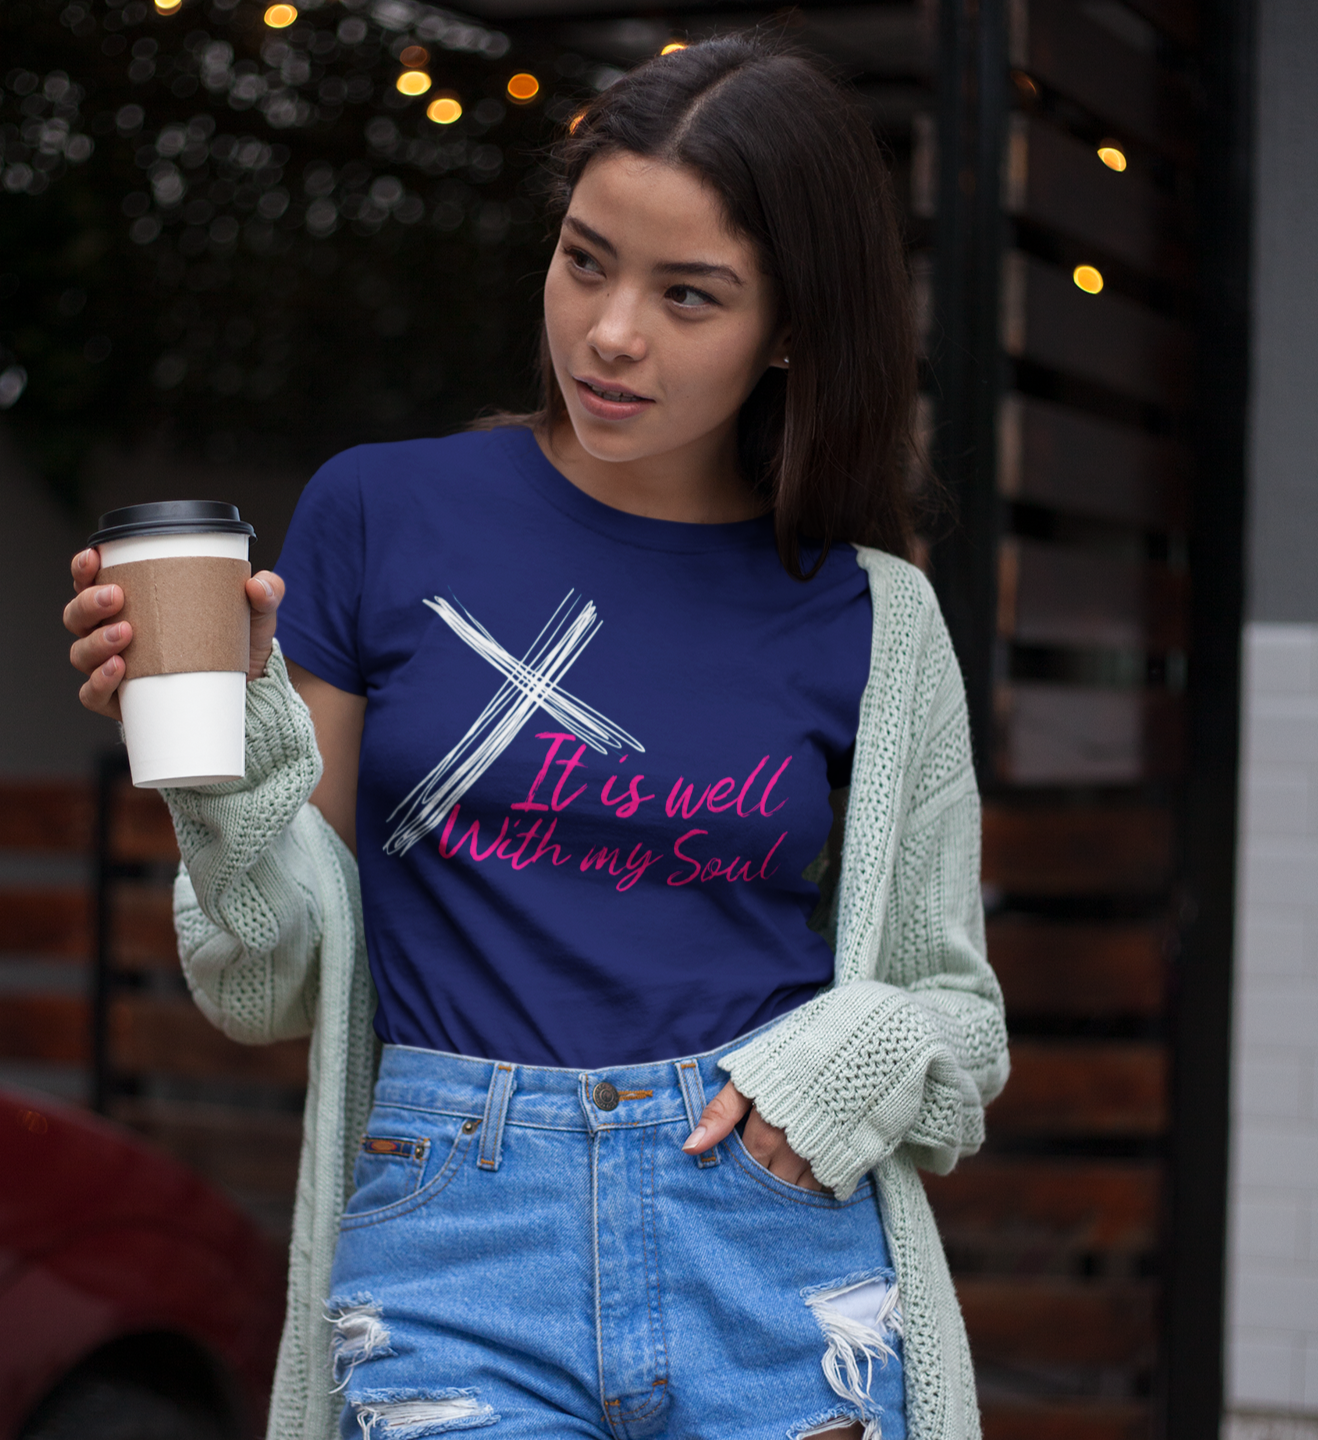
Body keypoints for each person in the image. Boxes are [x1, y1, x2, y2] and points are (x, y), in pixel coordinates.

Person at [65, 33, 1007, 1440]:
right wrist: (219, 773)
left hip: (768, 1238)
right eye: (585, 260)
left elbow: (959, 1021)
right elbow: (267, 984)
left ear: (793, 326)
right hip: (458, 1236)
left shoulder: (876, 616)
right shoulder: (383, 516)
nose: (612, 332)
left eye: (689, 296)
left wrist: (837, 1062)